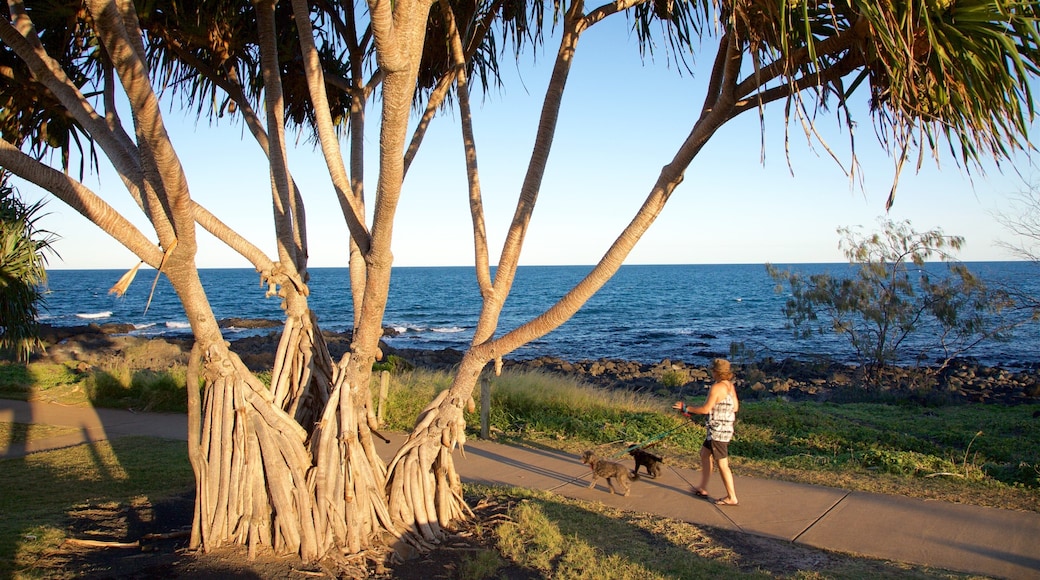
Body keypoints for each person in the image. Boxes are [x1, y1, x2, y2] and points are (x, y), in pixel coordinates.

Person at [672, 358, 739, 506]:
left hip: (718, 432)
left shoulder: (716, 388)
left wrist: (686, 408)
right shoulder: (729, 386)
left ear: (716, 372)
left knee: (722, 464)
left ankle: (731, 497)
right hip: (724, 428)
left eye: (712, 370)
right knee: (704, 454)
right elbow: (735, 408)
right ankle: (702, 488)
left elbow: (705, 409)